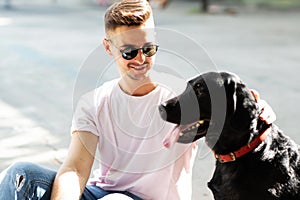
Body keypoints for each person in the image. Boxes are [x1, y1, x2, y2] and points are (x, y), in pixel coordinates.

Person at [0, 0, 275, 199]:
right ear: (109, 47)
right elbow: (75, 168)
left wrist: (260, 109)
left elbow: (238, 117)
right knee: (19, 174)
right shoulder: (94, 102)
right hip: (100, 193)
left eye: (148, 48)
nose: (141, 59)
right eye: (129, 52)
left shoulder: (183, 99)